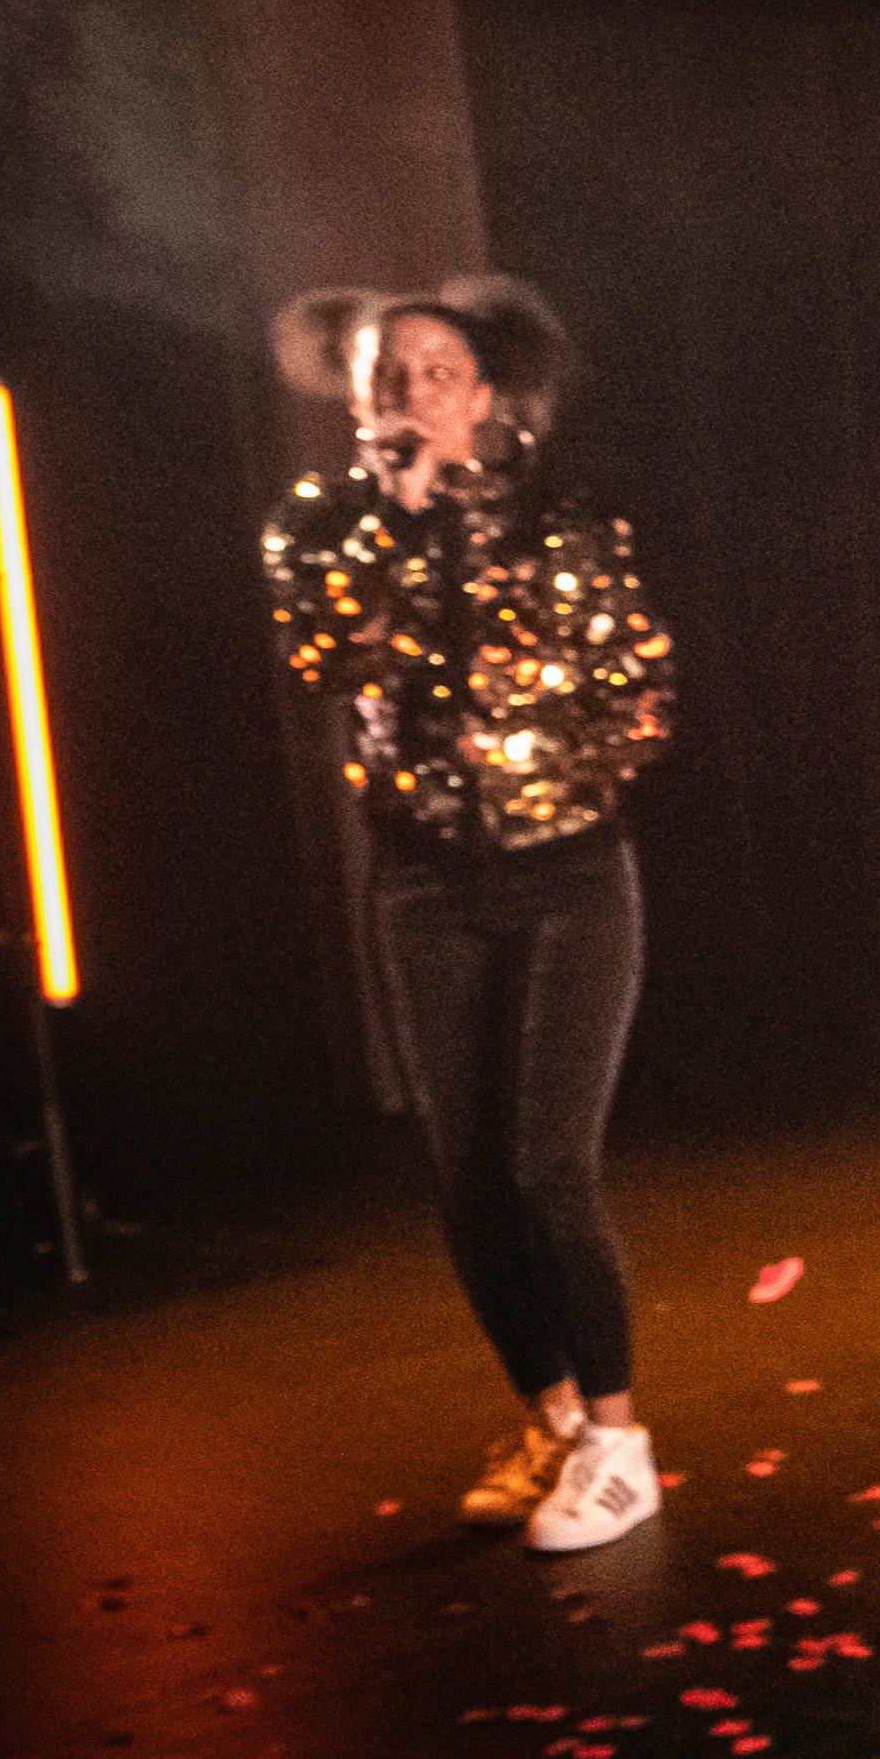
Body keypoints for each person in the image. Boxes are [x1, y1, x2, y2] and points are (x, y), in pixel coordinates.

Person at [262, 277, 677, 1555]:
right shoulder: (322, 525)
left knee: (549, 1164)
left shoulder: (559, 516)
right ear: (358, 400)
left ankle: (621, 1445)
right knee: (468, 1176)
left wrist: (557, 786)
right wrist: (394, 522)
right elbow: (327, 660)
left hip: (570, 873)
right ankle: (551, 1421)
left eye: (438, 372)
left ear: (487, 396)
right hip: (424, 884)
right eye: (388, 375)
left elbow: (637, 683)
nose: (412, 393)